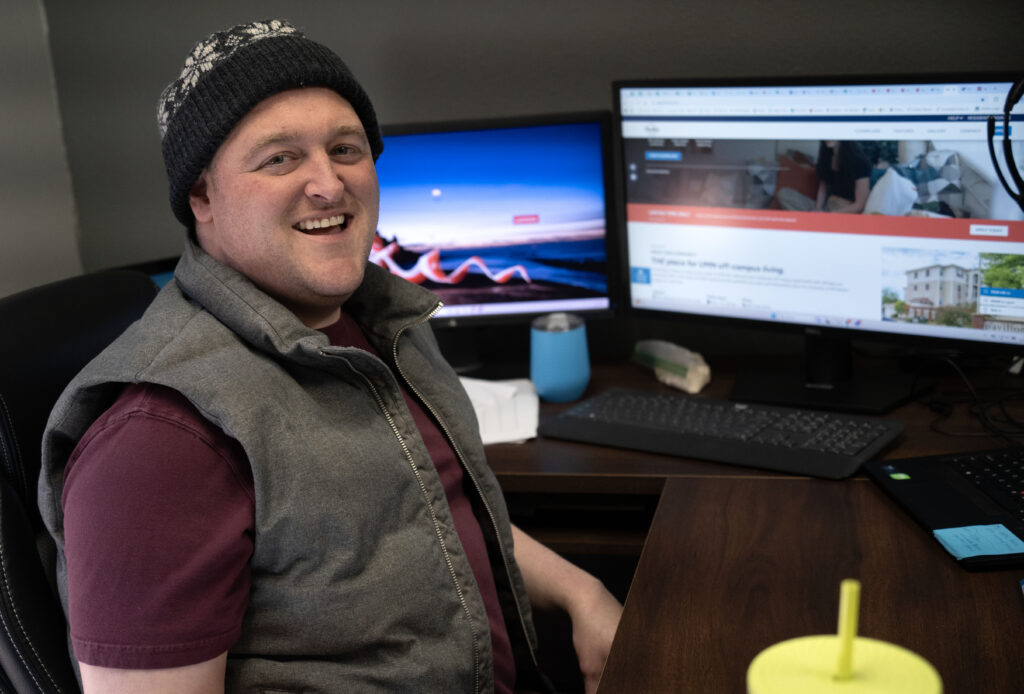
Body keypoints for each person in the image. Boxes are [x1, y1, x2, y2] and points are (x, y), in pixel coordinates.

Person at [38, 19, 622, 694]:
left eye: (345, 149)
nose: (329, 184)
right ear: (201, 197)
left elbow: (440, 512)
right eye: (279, 159)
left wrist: (581, 592)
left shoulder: (384, 322)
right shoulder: (159, 440)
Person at [777, 140, 872, 214]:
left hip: (845, 211)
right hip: (827, 207)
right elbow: (823, 186)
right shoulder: (826, 157)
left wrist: (831, 215)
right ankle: (815, 223)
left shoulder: (859, 161)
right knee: (784, 193)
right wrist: (818, 208)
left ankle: (815, 224)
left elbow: (860, 205)